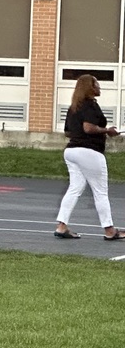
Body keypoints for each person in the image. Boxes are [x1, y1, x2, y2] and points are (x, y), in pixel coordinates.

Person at [55, 75, 124, 240]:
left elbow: (67, 132)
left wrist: (99, 131)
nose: (99, 87)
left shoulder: (74, 107)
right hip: (90, 152)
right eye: (97, 85)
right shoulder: (91, 106)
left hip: (71, 151)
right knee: (100, 192)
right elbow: (88, 128)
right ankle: (109, 230)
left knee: (74, 188)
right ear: (90, 88)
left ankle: (61, 226)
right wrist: (107, 131)